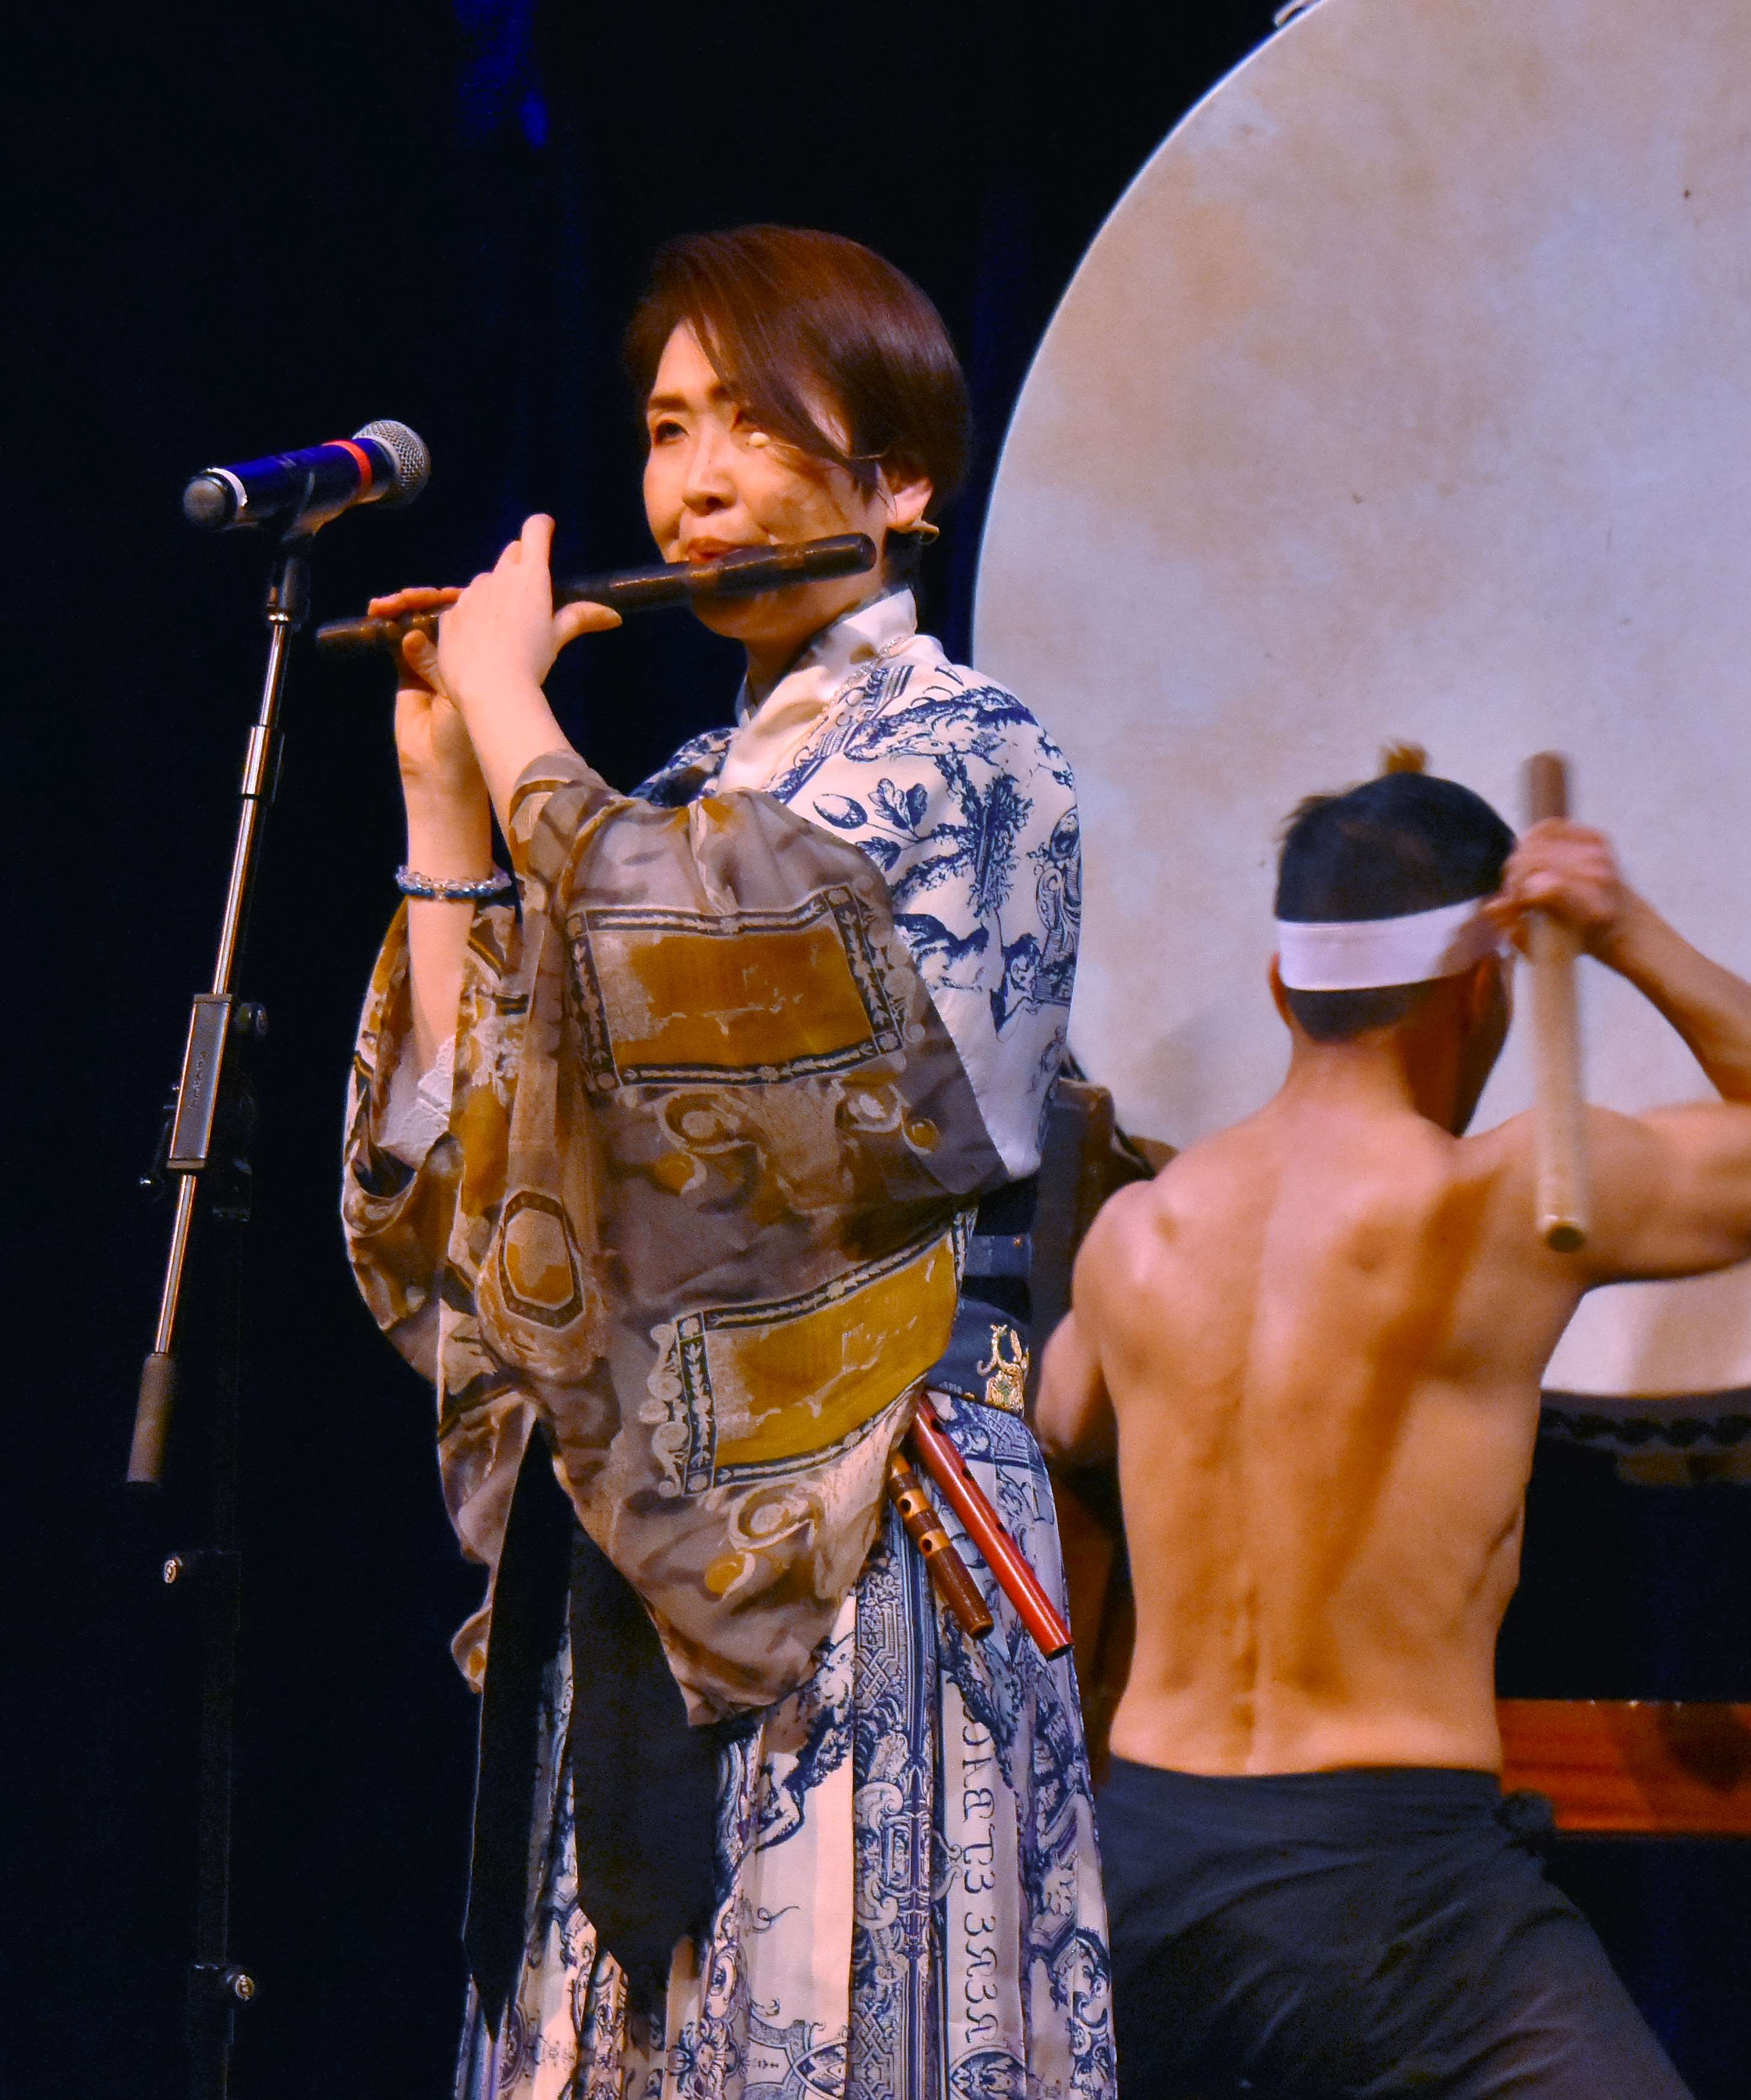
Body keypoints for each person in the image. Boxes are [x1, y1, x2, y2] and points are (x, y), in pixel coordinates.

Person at [340, 226, 1111, 2100]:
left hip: (880, 1515)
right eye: (670, 425)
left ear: (899, 482)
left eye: (755, 425)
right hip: (649, 1532)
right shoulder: (668, 792)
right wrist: (451, 798)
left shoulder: (971, 752)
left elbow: (729, 1033)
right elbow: (473, 1187)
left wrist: (525, 720)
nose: (692, 479)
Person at [1034, 756, 1751, 2097]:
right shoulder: (1494, 1201)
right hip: (1398, 1889)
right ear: (1486, 984)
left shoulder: (1141, 1232)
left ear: (1279, 986)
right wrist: (1622, 932)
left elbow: (1059, 1415)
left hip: (1142, 1861)